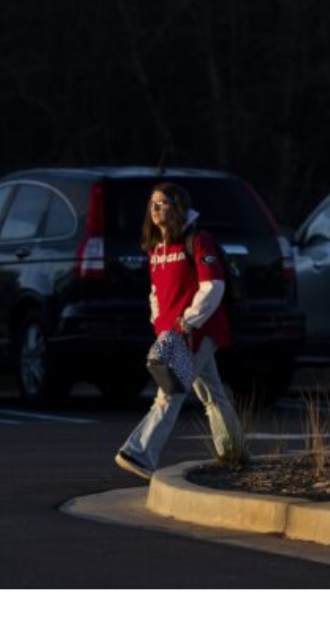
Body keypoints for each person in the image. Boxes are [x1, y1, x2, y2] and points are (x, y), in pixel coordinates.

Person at [114, 182, 247, 479]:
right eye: (152, 204)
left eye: (163, 203)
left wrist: (189, 321)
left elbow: (213, 286)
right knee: (212, 393)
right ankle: (234, 451)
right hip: (172, 334)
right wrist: (160, 324)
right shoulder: (158, 247)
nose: (156, 209)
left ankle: (139, 453)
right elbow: (156, 293)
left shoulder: (198, 241)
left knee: (169, 393)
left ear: (179, 207)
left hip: (197, 331)